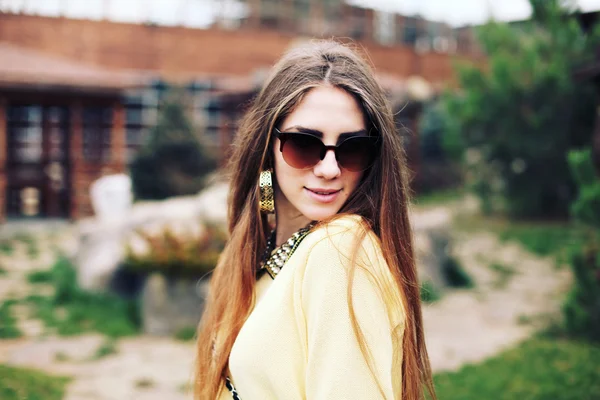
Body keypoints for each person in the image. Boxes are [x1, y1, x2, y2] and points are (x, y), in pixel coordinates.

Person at [194, 40, 436, 400]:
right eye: (304, 144)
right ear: (267, 149)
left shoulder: (339, 251)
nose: (328, 169)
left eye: (352, 147)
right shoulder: (257, 244)